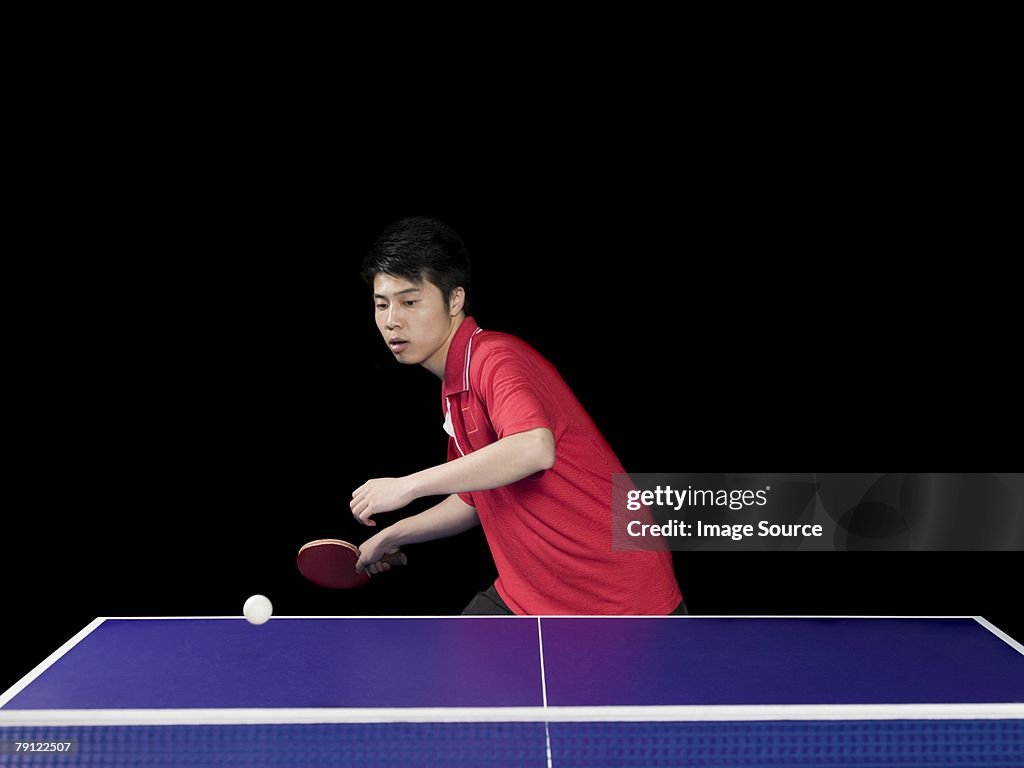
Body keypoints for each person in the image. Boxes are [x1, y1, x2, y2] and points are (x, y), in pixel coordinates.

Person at [352, 216, 684, 615]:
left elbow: (532, 448)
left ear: (454, 299)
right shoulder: (456, 387)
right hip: (530, 595)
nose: (391, 320)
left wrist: (407, 486)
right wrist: (392, 535)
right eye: (381, 304)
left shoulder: (496, 358)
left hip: (616, 598)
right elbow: (473, 499)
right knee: (443, 671)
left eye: (409, 302)